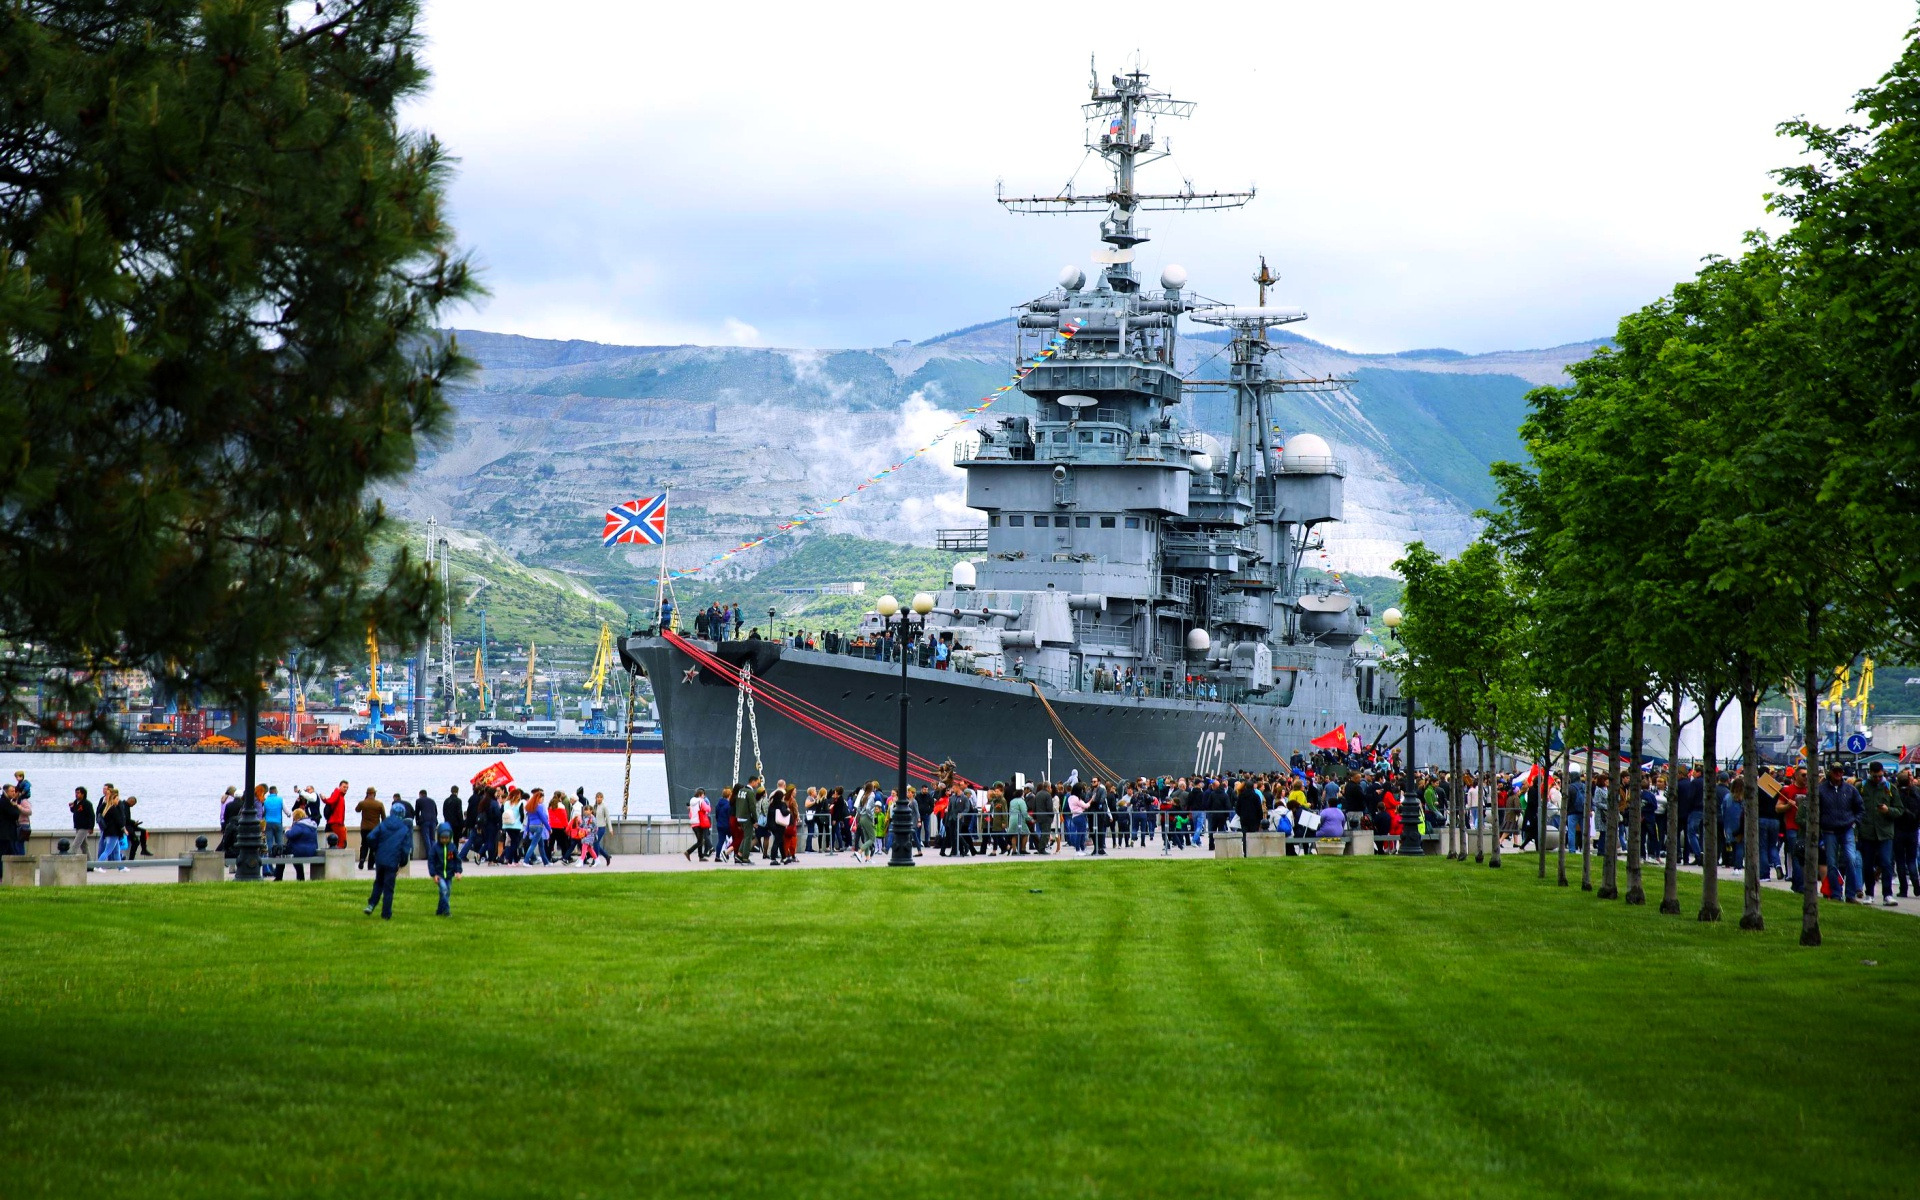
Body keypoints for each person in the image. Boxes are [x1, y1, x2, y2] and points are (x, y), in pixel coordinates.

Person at [1818, 762, 1866, 903]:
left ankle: (1850, 894)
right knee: (1832, 863)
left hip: (1847, 829)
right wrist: (1821, 823)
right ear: (1830, 772)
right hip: (1829, 830)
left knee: (1851, 859)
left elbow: (1860, 808)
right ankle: (1836, 893)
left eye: (1840, 771)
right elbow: (1816, 809)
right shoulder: (1821, 790)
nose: (1838, 774)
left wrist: (1855, 822)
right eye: (1835, 771)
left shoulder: (1850, 790)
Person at [1858, 761, 1900, 905]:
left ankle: (1887, 894)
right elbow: (1856, 808)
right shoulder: (1862, 787)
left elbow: (1899, 810)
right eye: (1874, 776)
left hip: (1885, 832)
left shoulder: (1890, 788)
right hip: (1868, 832)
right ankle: (1869, 893)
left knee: (1886, 862)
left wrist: (1888, 810)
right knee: (1867, 864)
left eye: (1879, 776)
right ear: (1869, 773)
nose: (1877, 779)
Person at [363, 802, 412, 920]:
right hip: (393, 860)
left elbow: (370, 837)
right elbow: (406, 848)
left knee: (378, 882)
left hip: (380, 858)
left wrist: (375, 849)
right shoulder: (404, 828)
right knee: (388, 888)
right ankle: (386, 914)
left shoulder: (383, 824)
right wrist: (403, 861)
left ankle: (371, 904)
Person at [278, 805, 321, 880]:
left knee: (280, 853)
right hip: (312, 851)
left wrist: (287, 830)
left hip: (300, 851)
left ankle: (278, 877)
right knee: (296, 859)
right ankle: (300, 877)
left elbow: (290, 835)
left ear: (296, 817)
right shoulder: (312, 825)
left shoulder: (299, 825)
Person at [428, 821, 461, 915]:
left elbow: (457, 860)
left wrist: (458, 871)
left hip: (449, 874)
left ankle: (439, 910)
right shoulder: (435, 848)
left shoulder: (452, 847)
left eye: (446, 838)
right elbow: (431, 861)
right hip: (439, 874)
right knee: (444, 890)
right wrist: (433, 874)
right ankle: (447, 910)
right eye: (442, 838)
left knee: (447, 892)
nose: (444, 840)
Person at [355, 787, 385, 868]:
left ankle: (362, 859)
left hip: (364, 828)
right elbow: (383, 817)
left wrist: (365, 800)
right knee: (373, 847)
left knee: (364, 845)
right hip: (375, 829)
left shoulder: (362, 803)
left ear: (367, 794)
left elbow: (357, 810)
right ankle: (370, 865)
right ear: (374, 794)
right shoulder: (379, 804)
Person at [68, 785, 95, 860]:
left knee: (75, 844)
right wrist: (71, 807)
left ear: (83, 794)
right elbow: (74, 811)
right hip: (78, 826)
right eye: (76, 793)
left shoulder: (87, 803)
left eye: (78, 793)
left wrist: (91, 827)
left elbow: (92, 815)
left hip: (84, 827)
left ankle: (69, 860)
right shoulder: (76, 802)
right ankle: (90, 864)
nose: (76, 794)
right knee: (84, 846)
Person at [686, 788, 712, 861]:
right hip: (699, 822)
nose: (704, 796)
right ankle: (688, 852)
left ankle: (700, 856)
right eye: (703, 795)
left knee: (699, 840)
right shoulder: (701, 801)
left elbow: (690, 814)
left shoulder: (692, 803)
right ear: (700, 795)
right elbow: (708, 809)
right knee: (700, 841)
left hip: (693, 823)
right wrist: (708, 806)